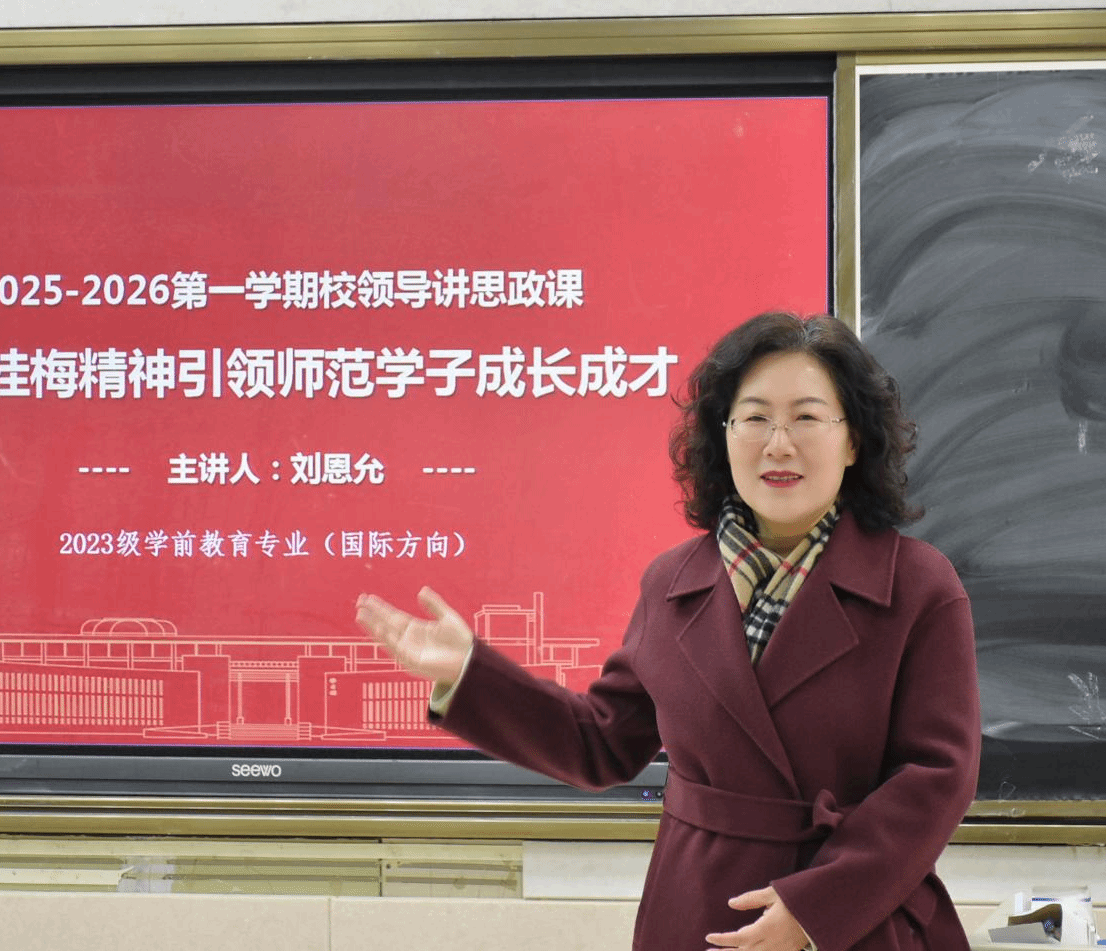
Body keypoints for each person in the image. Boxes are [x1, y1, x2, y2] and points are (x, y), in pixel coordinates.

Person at [355, 311, 980, 951]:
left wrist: (814, 910)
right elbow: (601, 743)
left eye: (807, 417)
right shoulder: (673, 583)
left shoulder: (917, 584)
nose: (779, 443)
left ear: (853, 441)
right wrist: (470, 675)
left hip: (854, 922)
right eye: (755, 417)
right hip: (699, 915)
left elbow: (939, 775)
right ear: (723, 434)